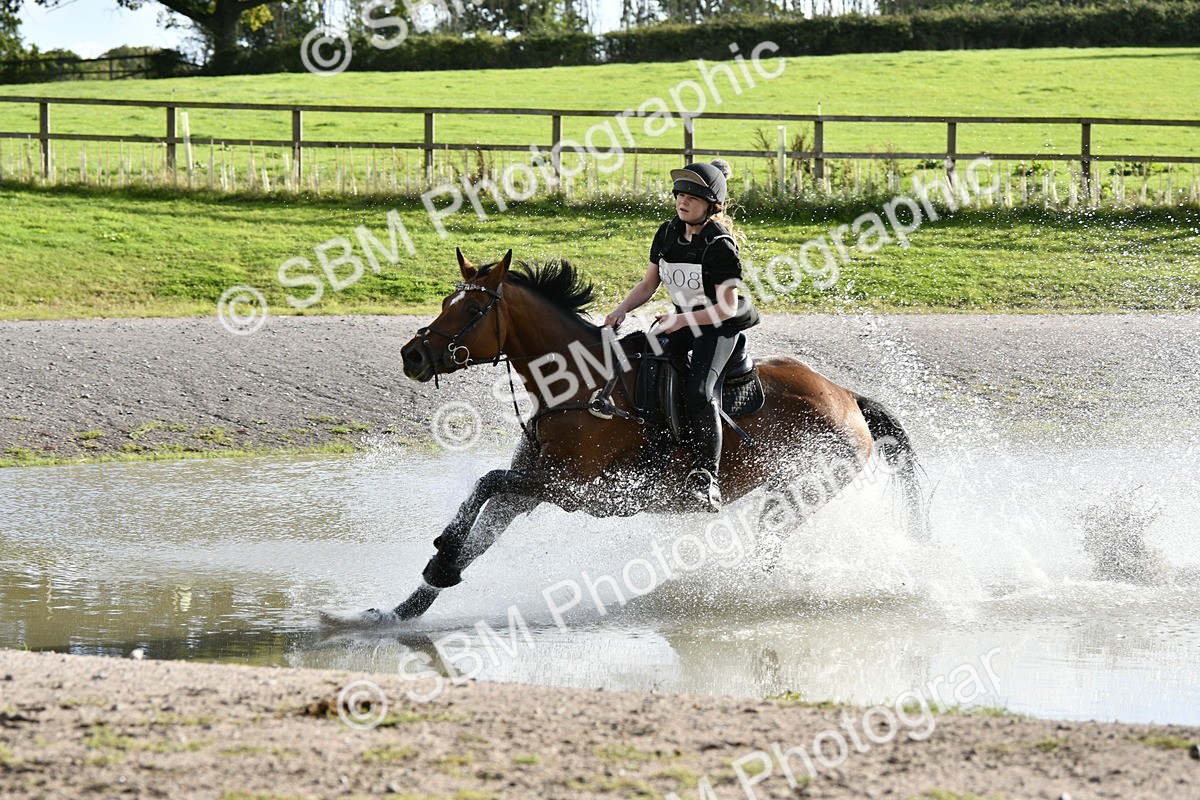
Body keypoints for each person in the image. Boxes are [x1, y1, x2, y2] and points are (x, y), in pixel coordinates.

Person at [604, 159, 760, 512]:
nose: (682, 200)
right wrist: (622, 309)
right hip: (684, 321)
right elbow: (648, 283)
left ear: (710, 205)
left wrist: (681, 322)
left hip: (718, 328)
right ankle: (655, 448)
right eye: (679, 194)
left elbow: (724, 308)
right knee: (642, 360)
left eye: (691, 196)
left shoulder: (720, 245)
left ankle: (707, 477)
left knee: (700, 390)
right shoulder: (667, 232)